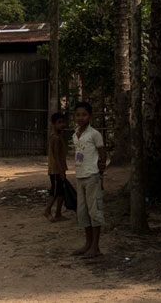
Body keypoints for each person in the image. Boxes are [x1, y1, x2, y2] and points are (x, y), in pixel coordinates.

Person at [70, 101, 106, 258]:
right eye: (78, 115)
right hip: (80, 176)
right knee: (82, 212)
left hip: (92, 176)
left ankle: (95, 247)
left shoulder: (94, 134)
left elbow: (102, 153)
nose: (80, 117)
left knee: (94, 211)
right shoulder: (75, 135)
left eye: (84, 115)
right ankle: (88, 243)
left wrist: (100, 171)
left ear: (90, 116)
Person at [44, 113, 69, 222]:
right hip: (56, 170)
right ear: (54, 124)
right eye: (59, 122)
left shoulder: (59, 136)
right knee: (55, 192)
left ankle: (58, 213)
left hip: (60, 169)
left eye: (63, 122)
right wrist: (61, 171)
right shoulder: (55, 138)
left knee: (62, 192)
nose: (62, 125)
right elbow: (56, 156)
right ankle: (47, 210)